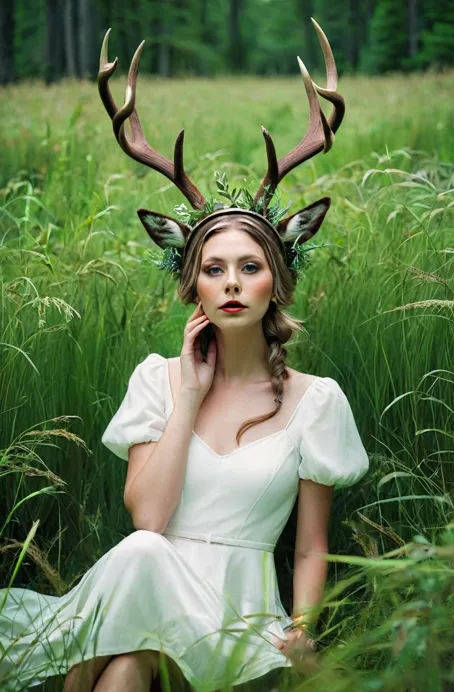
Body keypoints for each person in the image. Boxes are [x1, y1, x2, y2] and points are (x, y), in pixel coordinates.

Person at [0, 18, 369, 692]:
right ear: (190, 280)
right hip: (147, 586)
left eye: (251, 266)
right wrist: (191, 394)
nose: (231, 282)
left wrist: (303, 627)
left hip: (238, 618)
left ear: (277, 280)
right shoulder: (157, 381)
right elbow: (149, 518)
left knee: (128, 627)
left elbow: (313, 543)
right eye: (213, 267)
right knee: (136, 607)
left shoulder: (317, 400)